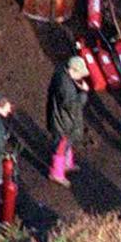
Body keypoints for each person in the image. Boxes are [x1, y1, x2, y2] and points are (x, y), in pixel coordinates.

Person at [47, 56, 90, 185]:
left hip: (62, 119)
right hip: (63, 122)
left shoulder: (61, 74)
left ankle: (67, 163)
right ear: (72, 71)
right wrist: (83, 93)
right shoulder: (66, 87)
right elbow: (73, 106)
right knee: (61, 146)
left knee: (67, 142)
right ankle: (57, 173)